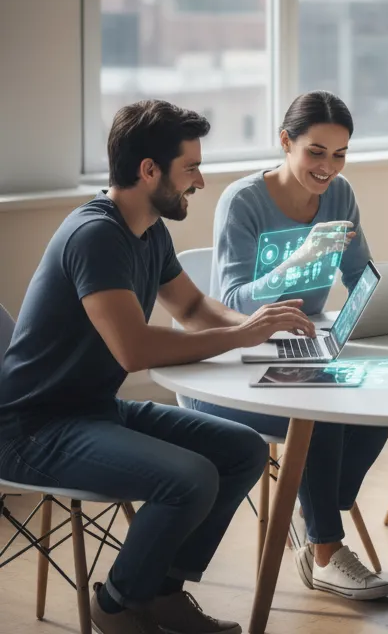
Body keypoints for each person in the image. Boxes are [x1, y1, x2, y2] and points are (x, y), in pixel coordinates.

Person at [0, 101, 314, 634]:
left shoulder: (148, 229)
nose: (201, 180)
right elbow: (134, 350)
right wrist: (241, 336)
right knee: (189, 478)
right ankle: (120, 603)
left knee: (242, 449)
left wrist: (261, 326)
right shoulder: (96, 237)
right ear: (150, 170)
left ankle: (162, 592)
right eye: (191, 167)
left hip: (93, 410)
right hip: (35, 429)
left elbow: (191, 309)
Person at [187, 91, 388, 601]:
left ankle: (315, 513)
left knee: (381, 401)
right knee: (318, 415)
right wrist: (296, 262)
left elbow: (357, 275)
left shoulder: (340, 195)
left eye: (340, 153)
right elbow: (233, 300)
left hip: (302, 352)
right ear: (286, 142)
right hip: (230, 366)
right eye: (316, 152)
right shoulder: (243, 201)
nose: (329, 167)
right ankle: (325, 549)